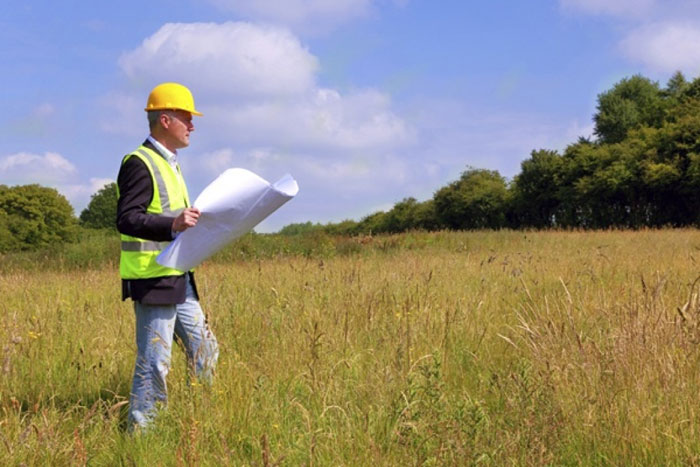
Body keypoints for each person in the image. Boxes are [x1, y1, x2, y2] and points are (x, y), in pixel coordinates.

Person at [116, 82, 218, 430]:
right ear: (165, 120)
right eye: (186, 117)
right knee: (154, 362)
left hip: (179, 276)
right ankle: (141, 436)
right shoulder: (139, 162)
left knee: (206, 350)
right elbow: (127, 218)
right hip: (153, 277)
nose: (192, 125)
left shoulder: (171, 163)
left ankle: (200, 421)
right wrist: (172, 223)